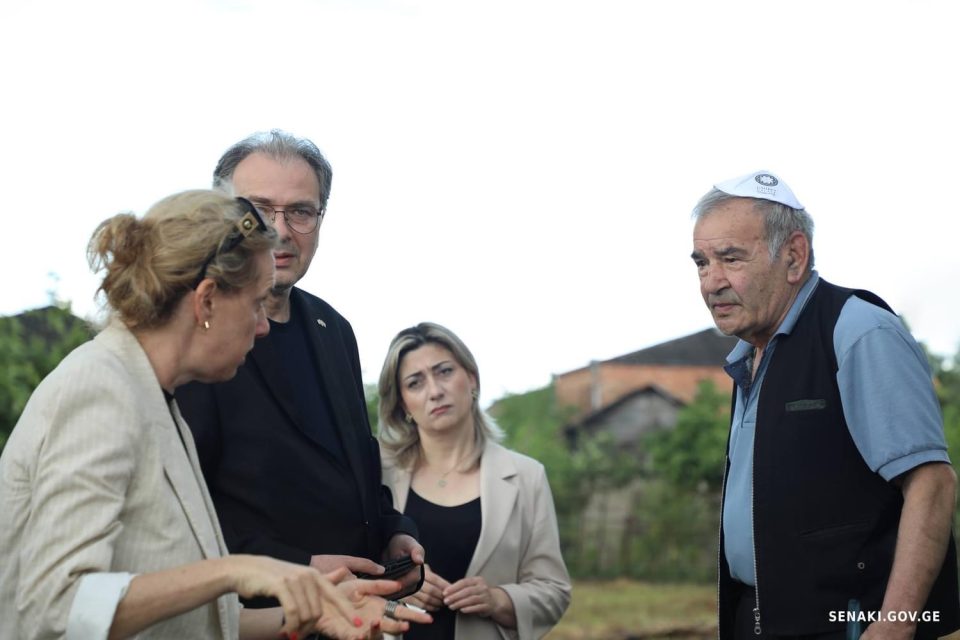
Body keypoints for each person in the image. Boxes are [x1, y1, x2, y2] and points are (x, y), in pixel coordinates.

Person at [0, 191, 427, 639]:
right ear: (206, 301)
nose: (264, 326)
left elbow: (191, 623)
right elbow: (58, 605)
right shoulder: (100, 388)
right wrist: (233, 569)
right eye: (257, 304)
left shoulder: (156, 398)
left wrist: (315, 611)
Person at [689, 170, 960, 640]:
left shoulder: (858, 332)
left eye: (731, 258)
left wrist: (894, 625)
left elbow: (932, 483)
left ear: (794, 257)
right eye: (701, 263)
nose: (712, 282)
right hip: (759, 618)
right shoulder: (749, 356)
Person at [175, 132, 424, 608]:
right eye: (258, 209)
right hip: (251, 615)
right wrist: (299, 567)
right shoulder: (195, 331)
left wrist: (394, 532)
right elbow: (182, 509)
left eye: (301, 211)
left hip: (354, 614)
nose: (280, 230)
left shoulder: (335, 329)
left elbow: (358, 467)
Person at [377, 322, 572, 640]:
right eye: (415, 383)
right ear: (403, 404)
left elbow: (554, 591)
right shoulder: (379, 475)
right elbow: (350, 580)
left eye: (444, 372)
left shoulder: (527, 476)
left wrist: (499, 599)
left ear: (472, 379)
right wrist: (398, 588)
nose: (435, 391)